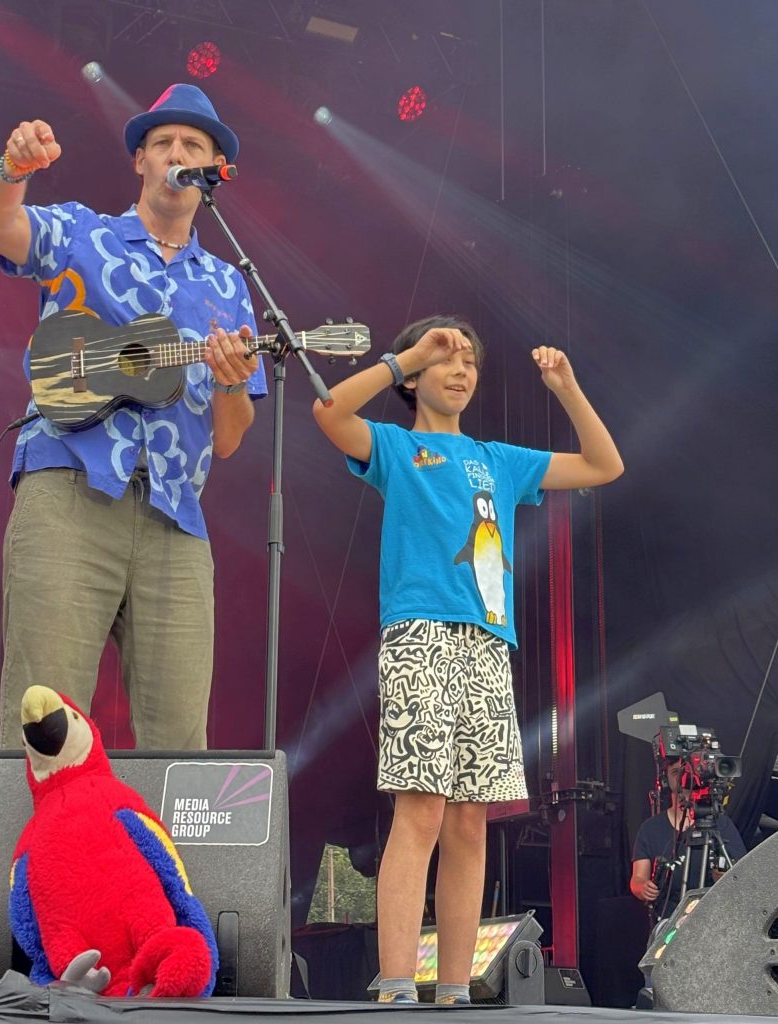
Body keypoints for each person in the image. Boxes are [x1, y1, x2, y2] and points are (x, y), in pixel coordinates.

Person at [312, 314, 623, 1004]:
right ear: (414, 375)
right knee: (420, 810)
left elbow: (605, 465)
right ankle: (397, 986)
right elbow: (329, 412)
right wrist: (402, 358)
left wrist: (567, 390)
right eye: (443, 357)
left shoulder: (498, 459)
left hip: (488, 645)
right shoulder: (397, 446)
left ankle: (454, 991)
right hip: (420, 635)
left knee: (469, 819)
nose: (460, 369)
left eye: (470, 361)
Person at [0, 84, 267, 750]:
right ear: (140, 160)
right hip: (68, 487)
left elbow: (228, 438)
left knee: (180, 742)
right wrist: (12, 169)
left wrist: (231, 381)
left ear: (214, 169)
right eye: (163, 143)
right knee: (44, 721)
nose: (176, 153)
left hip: (175, 516)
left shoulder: (229, 284)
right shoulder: (84, 232)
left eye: (192, 145)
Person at [630, 756, 746, 920]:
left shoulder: (721, 824)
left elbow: (742, 872)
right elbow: (637, 879)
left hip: (712, 915)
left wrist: (723, 878)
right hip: (669, 918)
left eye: (687, 772)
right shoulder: (650, 828)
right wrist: (643, 888)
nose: (683, 778)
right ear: (665, 779)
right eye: (676, 772)